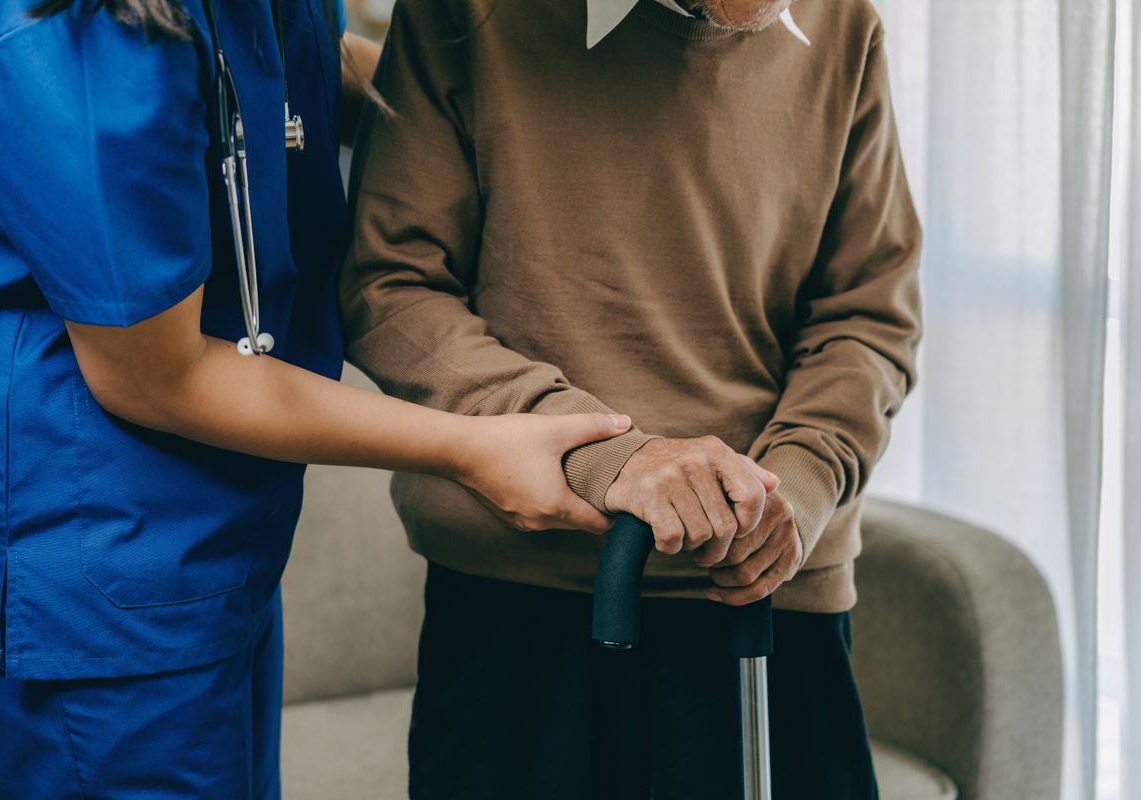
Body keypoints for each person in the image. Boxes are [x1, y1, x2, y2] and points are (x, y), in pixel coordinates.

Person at [0, 1, 647, 797]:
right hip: (90, 576)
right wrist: (470, 447)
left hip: (213, 544)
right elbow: (150, 373)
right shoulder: (79, 38)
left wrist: (490, 101)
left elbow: (293, 67)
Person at [340, 0, 923, 797]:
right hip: (523, 602)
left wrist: (802, 481)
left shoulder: (848, 27)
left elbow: (866, 315)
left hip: (773, 600)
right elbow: (392, 288)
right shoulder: (466, 16)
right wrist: (606, 457)